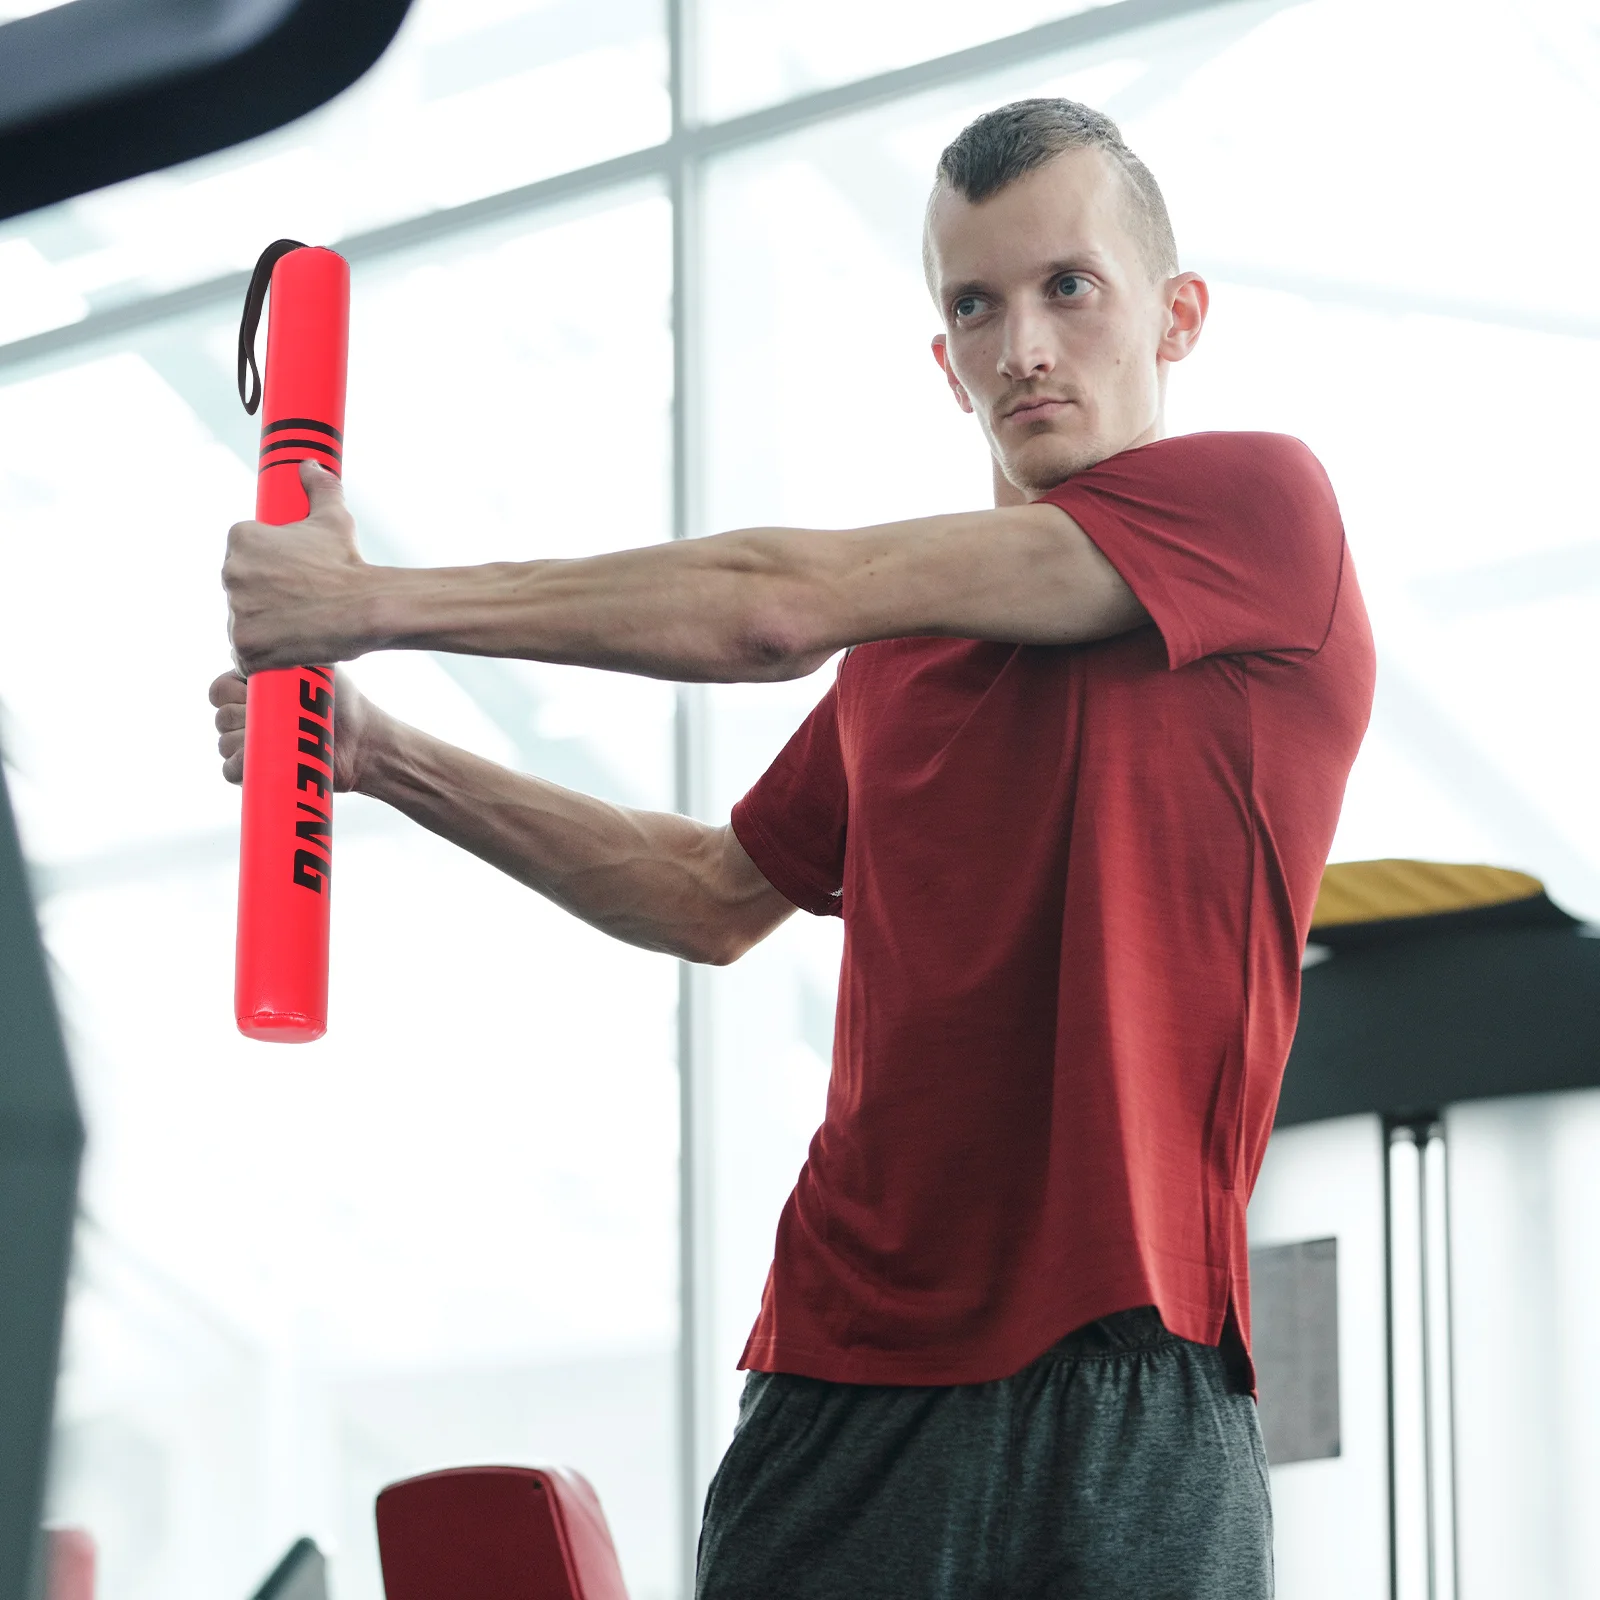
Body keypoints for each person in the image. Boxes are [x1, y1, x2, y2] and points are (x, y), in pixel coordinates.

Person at [214, 99, 1374, 1598]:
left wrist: (371, 601)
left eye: (1069, 287)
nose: (1024, 346)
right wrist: (384, 757)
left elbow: (777, 602)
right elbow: (705, 894)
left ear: (1178, 315)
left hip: (1131, 1374)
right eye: (977, 305)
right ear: (945, 358)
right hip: (843, 1378)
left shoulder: (1261, 515)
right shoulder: (898, 662)